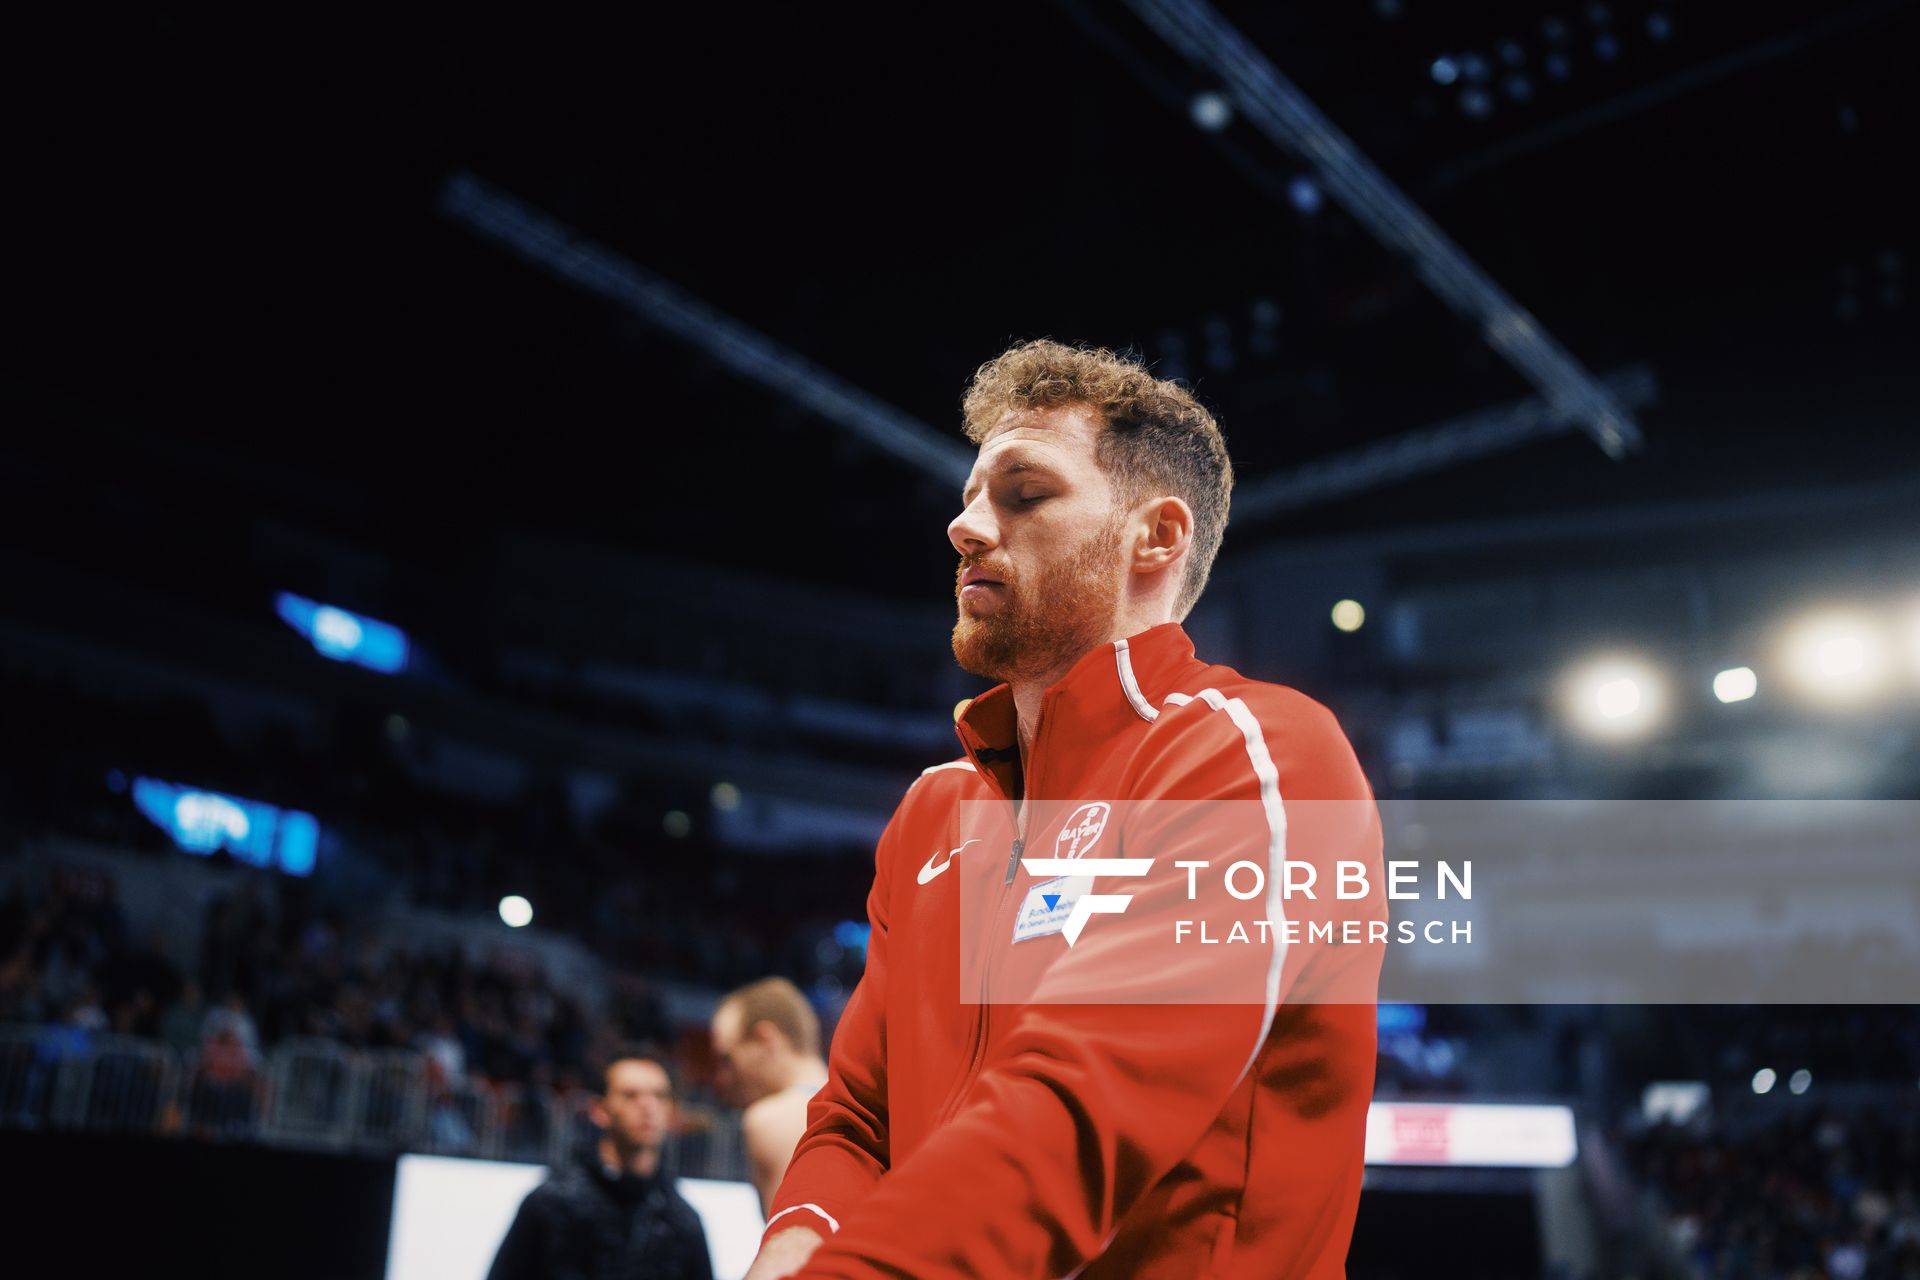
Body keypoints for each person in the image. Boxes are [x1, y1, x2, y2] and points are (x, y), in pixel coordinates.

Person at [747, 340, 1385, 1279]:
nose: (964, 526)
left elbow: (1081, 1105)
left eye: (1023, 493)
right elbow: (857, 1120)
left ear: (1155, 538)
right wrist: (790, 1251)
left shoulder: (1256, 751)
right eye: (969, 496)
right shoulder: (934, 810)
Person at [489, 1045, 713, 1280]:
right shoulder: (551, 1204)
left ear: (672, 1112)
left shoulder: (681, 1222)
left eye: (659, 1096)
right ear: (600, 1110)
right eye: (630, 1095)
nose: (648, 1107)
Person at [711, 977, 830, 1215]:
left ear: (765, 1039)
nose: (723, 1078)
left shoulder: (771, 1120)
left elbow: (789, 1245)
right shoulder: (861, 1103)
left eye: (728, 1059)